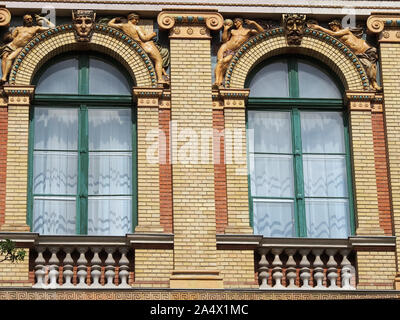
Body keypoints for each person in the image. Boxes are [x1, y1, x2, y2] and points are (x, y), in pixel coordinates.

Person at [309, 20, 381, 91]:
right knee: (368, 66)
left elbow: (333, 34)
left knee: (372, 66)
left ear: (338, 25)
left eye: (333, 26)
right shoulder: (336, 37)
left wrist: (319, 28)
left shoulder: (345, 30)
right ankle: (372, 84)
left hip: (365, 48)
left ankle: (374, 84)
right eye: (331, 27)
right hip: (358, 54)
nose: (332, 28)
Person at [108, 13, 167, 85]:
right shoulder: (137, 27)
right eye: (136, 19)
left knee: (156, 60)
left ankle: (163, 74)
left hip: (140, 47)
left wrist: (115, 19)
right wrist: (153, 34)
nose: (137, 21)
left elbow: (109, 24)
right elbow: (144, 38)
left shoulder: (123, 26)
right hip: (148, 45)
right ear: (131, 19)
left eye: (137, 20)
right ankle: (160, 79)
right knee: (159, 60)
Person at [1, 14, 55, 85]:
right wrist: (8, 35)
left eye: (30, 19)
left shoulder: (35, 28)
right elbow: (12, 38)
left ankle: (4, 77)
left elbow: (52, 27)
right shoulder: (19, 28)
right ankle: (5, 77)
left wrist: (43, 19)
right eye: (27, 19)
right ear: (24, 21)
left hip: (20, 48)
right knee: (4, 57)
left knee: (9, 58)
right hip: (11, 45)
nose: (29, 20)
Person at [214, 18, 264, 87]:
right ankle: (217, 82)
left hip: (233, 51)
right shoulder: (232, 31)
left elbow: (262, 32)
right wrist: (225, 29)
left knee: (224, 62)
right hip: (225, 47)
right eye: (234, 23)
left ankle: (221, 79)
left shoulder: (248, 31)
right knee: (220, 61)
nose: (235, 24)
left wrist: (254, 23)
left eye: (236, 22)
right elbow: (224, 40)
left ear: (240, 22)